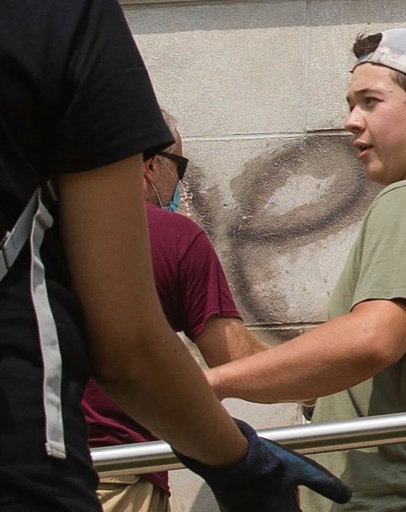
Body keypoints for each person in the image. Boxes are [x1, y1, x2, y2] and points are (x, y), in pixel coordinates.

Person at [0, 1, 349, 511]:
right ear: (145, 163)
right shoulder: (56, 18)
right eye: (177, 165)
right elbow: (130, 353)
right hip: (12, 461)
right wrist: (244, 463)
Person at [204, 28, 406, 511]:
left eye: (370, 102)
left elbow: (373, 338)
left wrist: (215, 383)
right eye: (351, 104)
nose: (351, 121)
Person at [82, 112, 269, 512]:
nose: (181, 185)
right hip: (117, 477)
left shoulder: (30, 229)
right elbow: (236, 358)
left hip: (8, 469)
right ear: (148, 164)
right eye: (178, 166)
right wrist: (326, 375)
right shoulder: (173, 236)